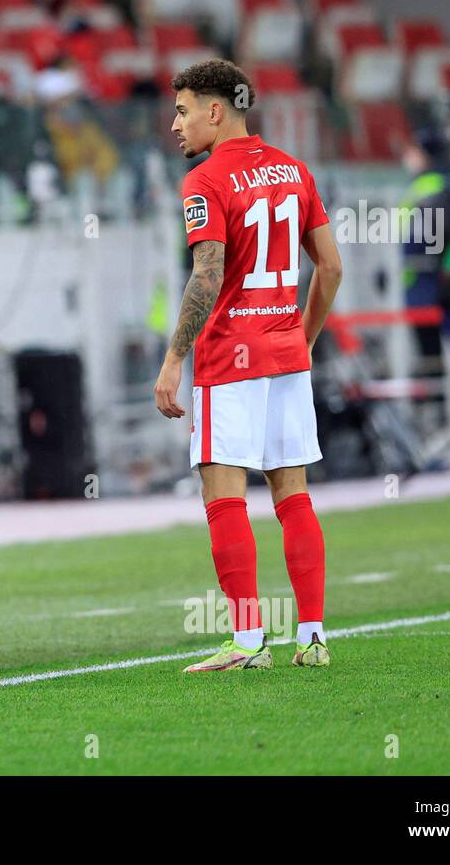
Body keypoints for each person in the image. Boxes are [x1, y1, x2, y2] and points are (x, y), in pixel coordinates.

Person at [152, 60, 343, 672]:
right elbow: (332, 267)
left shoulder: (206, 181)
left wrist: (172, 359)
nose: (175, 124)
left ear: (215, 110)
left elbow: (207, 275)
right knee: (292, 494)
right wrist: (303, 338)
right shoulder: (294, 169)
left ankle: (248, 641)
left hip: (229, 357)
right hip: (285, 354)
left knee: (222, 493)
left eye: (182, 111)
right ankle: (312, 638)